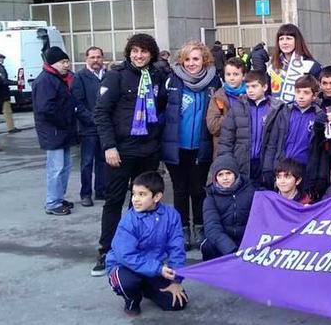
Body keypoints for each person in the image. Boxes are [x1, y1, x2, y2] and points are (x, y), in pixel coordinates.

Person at [93, 34, 168, 276]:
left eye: (144, 51)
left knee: (143, 203)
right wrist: (109, 146)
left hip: (148, 150)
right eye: (135, 51)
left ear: (152, 54)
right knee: (114, 200)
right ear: (129, 53)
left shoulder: (157, 76)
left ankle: (138, 247)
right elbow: (101, 113)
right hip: (121, 151)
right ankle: (107, 250)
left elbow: (162, 107)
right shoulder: (116, 76)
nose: (139, 55)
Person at [161, 41, 221, 251]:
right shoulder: (172, 80)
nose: (191, 63)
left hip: (201, 146)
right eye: (187, 59)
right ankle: (182, 229)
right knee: (179, 189)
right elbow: (160, 109)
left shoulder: (214, 81)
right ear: (181, 61)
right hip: (176, 147)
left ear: (204, 59)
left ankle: (200, 226)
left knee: (198, 189)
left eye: (196, 58)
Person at [105, 171, 187, 316]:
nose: (135, 199)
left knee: (177, 302)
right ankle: (132, 300)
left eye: (142, 194)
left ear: (157, 197)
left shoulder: (171, 215)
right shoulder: (129, 220)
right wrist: (158, 269)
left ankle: (145, 288)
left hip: (154, 267)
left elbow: (177, 248)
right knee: (128, 283)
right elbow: (126, 255)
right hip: (124, 266)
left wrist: (176, 280)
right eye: (134, 194)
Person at [262, 75, 327, 195]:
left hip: (304, 170)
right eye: (298, 92)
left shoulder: (319, 116)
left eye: (306, 92)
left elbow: (321, 150)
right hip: (282, 167)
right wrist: (267, 167)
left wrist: (320, 176)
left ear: (314, 96)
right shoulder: (284, 112)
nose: (301, 96)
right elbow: (272, 142)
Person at [216, 70, 283, 184]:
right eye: (247, 87)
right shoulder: (238, 107)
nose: (250, 90)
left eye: (254, 86)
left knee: (262, 197)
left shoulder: (276, 109)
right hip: (241, 162)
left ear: (265, 87)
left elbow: (278, 142)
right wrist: (226, 163)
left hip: (265, 163)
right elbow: (226, 139)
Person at [32, 47, 77, 216]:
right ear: (53, 63)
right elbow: (45, 109)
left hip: (61, 131)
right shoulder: (46, 80)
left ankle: (58, 197)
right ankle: (52, 202)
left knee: (65, 166)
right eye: (63, 62)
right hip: (54, 131)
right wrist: (64, 121)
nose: (67, 65)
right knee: (56, 168)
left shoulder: (57, 78)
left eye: (67, 61)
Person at [200, 154, 256, 261]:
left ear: (235, 174)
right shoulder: (210, 198)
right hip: (225, 240)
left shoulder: (250, 191)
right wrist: (231, 250)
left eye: (228, 173)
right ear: (215, 178)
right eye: (220, 175)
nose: (225, 178)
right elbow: (212, 228)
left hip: (246, 239)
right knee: (208, 246)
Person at [72, 46, 106, 207]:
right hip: (88, 127)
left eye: (98, 57)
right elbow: (77, 102)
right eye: (92, 57)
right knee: (86, 162)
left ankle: (101, 190)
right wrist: (93, 119)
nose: (95, 60)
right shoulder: (79, 77)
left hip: (105, 127)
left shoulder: (108, 75)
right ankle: (85, 193)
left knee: (103, 160)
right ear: (86, 59)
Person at [267, 24, 322, 103]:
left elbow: (318, 93)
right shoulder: (273, 67)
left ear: (297, 41)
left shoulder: (310, 65)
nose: (284, 42)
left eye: (289, 38)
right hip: (278, 113)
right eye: (281, 39)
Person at [206, 57, 247, 157]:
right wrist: (235, 115)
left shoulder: (251, 96)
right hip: (224, 151)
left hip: (246, 151)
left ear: (244, 76)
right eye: (228, 74)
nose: (231, 78)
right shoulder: (218, 97)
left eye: (236, 74)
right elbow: (213, 127)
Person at [0, 53, 19, 134]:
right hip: (2, 92)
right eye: (2, 59)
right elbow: (4, 81)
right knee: (7, 111)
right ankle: (10, 128)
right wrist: (16, 82)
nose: (3, 61)